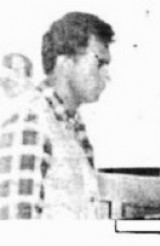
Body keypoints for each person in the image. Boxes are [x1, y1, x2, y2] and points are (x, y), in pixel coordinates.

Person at [0, 12, 114, 220]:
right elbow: (14, 229)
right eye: (100, 63)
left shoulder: (72, 126)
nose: (107, 75)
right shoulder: (30, 123)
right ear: (65, 62)